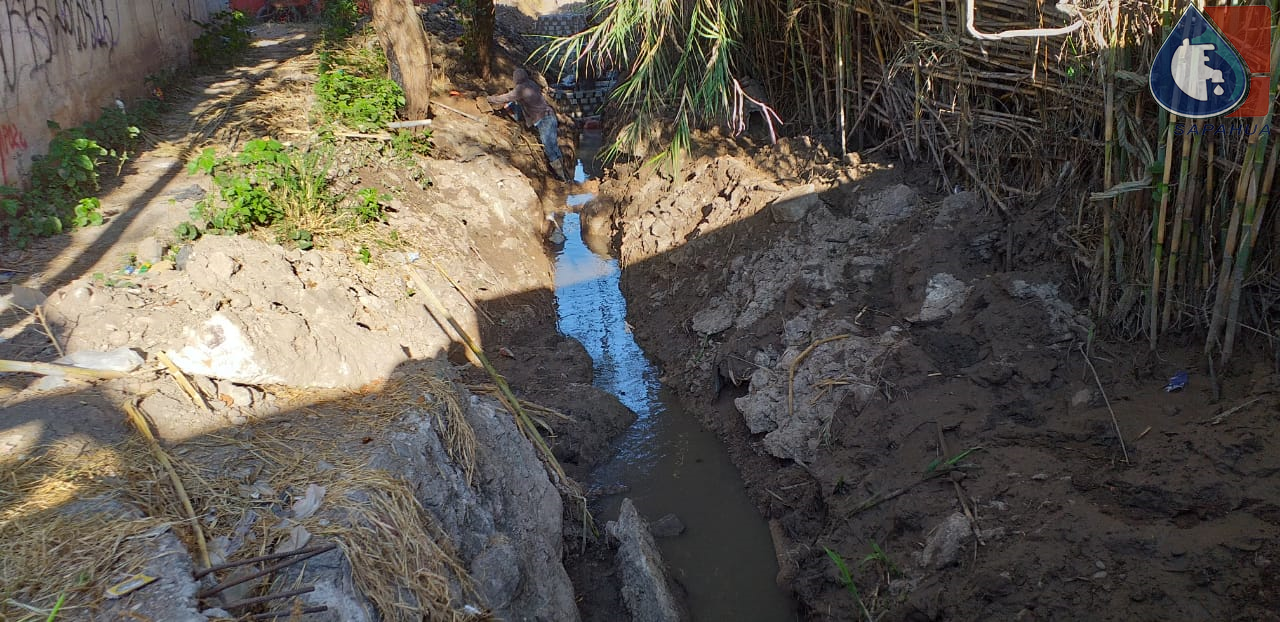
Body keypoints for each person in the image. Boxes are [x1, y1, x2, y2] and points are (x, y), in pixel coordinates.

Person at [487, 68, 573, 182]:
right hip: (550, 115)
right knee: (554, 146)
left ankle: (562, 177)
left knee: (549, 149)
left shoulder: (521, 89)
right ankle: (565, 175)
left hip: (544, 120)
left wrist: (489, 99)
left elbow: (507, 97)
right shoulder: (531, 84)